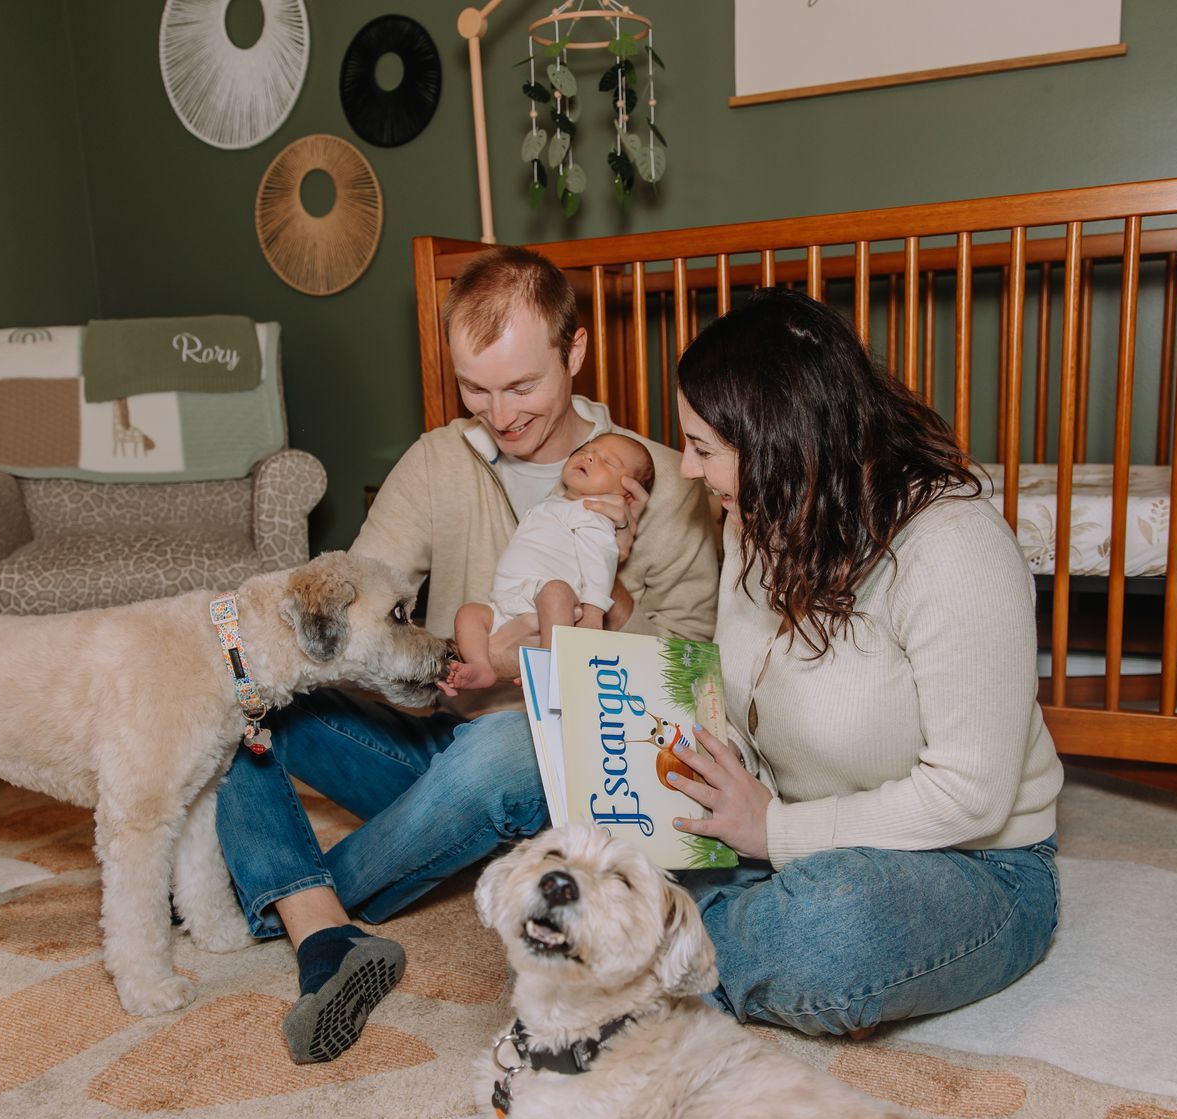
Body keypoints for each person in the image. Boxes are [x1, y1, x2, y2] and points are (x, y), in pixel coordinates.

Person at [214, 246, 721, 1063]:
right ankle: (324, 931)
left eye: (521, 386)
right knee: (235, 679)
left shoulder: (663, 479)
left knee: (507, 746)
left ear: (576, 351)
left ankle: (287, 897)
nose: (500, 413)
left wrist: (614, 582)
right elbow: (360, 606)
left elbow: (693, 678)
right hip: (426, 741)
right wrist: (437, 664)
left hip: (550, 765)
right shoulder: (437, 461)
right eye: (476, 389)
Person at [660, 287, 1063, 1037]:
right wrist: (709, 761)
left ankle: (641, 959)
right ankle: (695, 936)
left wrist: (774, 834)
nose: (685, 468)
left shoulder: (955, 548)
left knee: (836, 927)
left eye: (703, 449)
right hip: (781, 825)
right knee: (575, 793)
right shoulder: (759, 508)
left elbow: (971, 798)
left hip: (970, 864)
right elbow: (744, 682)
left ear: (779, 443)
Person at [449, 432, 656, 690]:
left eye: (608, 461)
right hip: (507, 602)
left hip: (550, 601)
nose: (590, 457)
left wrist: (593, 613)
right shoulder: (556, 503)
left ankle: (548, 668)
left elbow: (599, 561)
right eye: (587, 449)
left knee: (556, 591)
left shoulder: (593, 514)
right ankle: (481, 666)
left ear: (627, 495)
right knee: (469, 613)